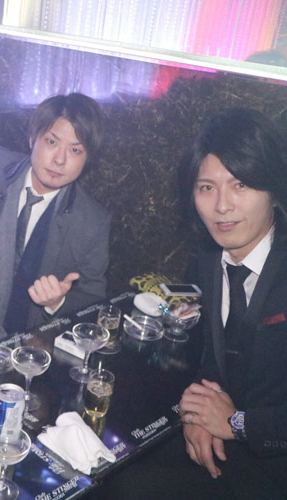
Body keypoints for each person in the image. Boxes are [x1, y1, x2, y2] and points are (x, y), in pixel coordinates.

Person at [95, 108, 287, 499]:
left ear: (273, 188)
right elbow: (210, 356)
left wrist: (236, 423)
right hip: (214, 441)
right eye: (206, 188)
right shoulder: (206, 260)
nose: (222, 206)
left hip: (274, 463)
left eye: (240, 185)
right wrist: (198, 413)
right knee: (106, 471)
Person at [0, 93, 110, 349]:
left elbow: (93, 297)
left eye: (75, 150)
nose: (60, 160)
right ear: (32, 139)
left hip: (33, 337)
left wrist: (57, 302)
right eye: (51, 141)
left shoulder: (92, 221)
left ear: (88, 159)